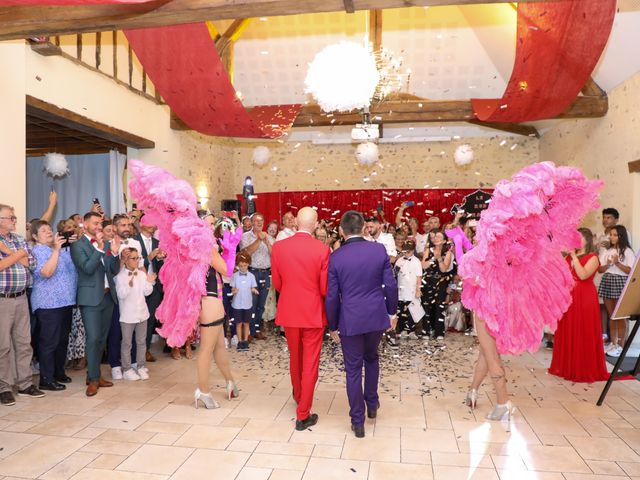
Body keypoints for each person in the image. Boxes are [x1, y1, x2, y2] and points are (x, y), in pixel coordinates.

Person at [326, 211, 398, 438]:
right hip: (376, 316)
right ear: (364, 227)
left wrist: (332, 325)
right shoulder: (378, 250)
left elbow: (331, 296)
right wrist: (392, 313)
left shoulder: (336, 256)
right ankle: (373, 404)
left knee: (353, 369)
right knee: (372, 358)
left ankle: (358, 421)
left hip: (350, 319)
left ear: (341, 230)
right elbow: (391, 285)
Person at [272, 207, 329, 431]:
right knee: (310, 362)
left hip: (289, 310)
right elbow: (324, 288)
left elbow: (277, 282)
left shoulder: (279, 247)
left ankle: (299, 395)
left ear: (295, 222)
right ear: (315, 225)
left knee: (295, 357)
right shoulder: (323, 250)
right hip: (313, 311)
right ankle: (303, 413)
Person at [71, 211, 121, 397]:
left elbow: (113, 270)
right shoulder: (78, 246)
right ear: (84, 224)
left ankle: (95, 374)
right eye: (95, 223)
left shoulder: (107, 243)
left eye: (100, 223)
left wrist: (114, 254)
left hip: (108, 297)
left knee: (101, 338)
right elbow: (87, 268)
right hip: (90, 298)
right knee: (92, 338)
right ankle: (92, 379)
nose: (99, 226)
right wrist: (100, 249)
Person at [0, 204, 46, 406]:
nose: (14, 220)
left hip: (21, 297)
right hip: (2, 299)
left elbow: (32, 264)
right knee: (3, 346)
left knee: (24, 342)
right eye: (10, 217)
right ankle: (4, 387)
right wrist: (18, 256)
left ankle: (25, 383)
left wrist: (11, 254)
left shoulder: (19, 239)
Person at [549, 229, 608, 382]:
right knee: (569, 330)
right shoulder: (569, 257)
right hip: (569, 298)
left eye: (578, 238)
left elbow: (582, 275)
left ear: (587, 240)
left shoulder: (593, 257)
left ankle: (583, 368)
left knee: (583, 330)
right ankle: (567, 366)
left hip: (585, 298)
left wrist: (573, 256)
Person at [194, 211, 239, 409]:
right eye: (209, 224)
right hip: (210, 299)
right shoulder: (206, 246)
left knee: (219, 346)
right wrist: (232, 248)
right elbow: (227, 270)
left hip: (213, 298)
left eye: (214, 224)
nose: (213, 227)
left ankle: (230, 382)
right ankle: (203, 391)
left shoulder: (203, 244)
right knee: (206, 350)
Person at [30, 220, 77, 391]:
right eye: (43, 231)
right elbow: (46, 272)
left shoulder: (57, 249)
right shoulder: (37, 251)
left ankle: (58, 372)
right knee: (49, 342)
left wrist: (70, 246)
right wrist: (57, 250)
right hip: (48, 303)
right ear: (35, 236)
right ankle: (46, 378)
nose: (49, 232)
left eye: (50, 229)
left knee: (62, 341)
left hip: (66, 301)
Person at [107, 214, 143, 380]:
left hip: (134, 290)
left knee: (135, 329)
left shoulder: (135, 243)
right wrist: (121, 259)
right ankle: (115, 364)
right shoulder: (110, 244)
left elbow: (140, 265)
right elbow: (110, 269)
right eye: (122, 225)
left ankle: (134, 362)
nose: (127, 228)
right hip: (117, 291)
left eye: (128, 224)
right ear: (115, 228)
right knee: (117, 330)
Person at [115, 247, 156, 381]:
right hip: (128, 315)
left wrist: (150, 282)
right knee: (127, 343)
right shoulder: (120, 276)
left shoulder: (142, 274)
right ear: (126, 260)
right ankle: (126, 369)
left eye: (138, 258)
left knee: (141, 342)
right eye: (134, 258)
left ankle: (140, 366)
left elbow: (146, 292)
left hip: (142, 314)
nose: (137, 261)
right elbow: (120, 295)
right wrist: (129, 285)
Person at [598, 225, 635, 357]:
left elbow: (631, 271)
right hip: (608, 281)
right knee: (612, 315)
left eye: (615, 235)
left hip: (620, 282)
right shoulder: (608, 251)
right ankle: (613, 343)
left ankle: (621, 345)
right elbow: (600, 269)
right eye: (611, 235)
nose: (612, 237)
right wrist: (608, 264)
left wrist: (618, 263)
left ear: (621, 236)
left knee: (621, 315)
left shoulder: (628, 252)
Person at [239, 213, 273, 340]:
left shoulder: (268, 236)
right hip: (251, 273)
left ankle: (256, 330)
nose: (259, 223)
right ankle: (247, 332)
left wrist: (266, 241)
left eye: (261, 221)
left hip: (265, 273)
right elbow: (245, 252)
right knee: (250, 303)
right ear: (251, 223)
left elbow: (273, 254)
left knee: (261, 305)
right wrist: (259, 240)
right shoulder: (246, 236)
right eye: (256, 221)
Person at [136, 223, 165, 362]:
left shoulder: (157, 242)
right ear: (142, 224)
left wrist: (160, 259)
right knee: (137, 319)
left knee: (150, 319)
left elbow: (160, 267)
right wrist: (149, 257)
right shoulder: (134, 241)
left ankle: (145, 349)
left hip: (154, 285)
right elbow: (134, 264)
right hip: (137, 285)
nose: (152, 225)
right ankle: (135, 351)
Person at [421, 230, 454, 340]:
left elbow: (444, 269)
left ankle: (439, 332)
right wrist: (433, 257)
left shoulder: (448, 253)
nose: (436, 239)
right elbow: (424, 266)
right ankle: (426, 330)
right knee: (426, 306)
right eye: (434, 237)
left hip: (440, 281)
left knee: (439, 306)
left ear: (444, 240)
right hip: (428, 281)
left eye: (439, 237)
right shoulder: (427, 250)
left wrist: (439, 257)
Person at [388, 240, 422, 347]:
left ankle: (411, 331)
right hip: (401, 291)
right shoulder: (399, 261)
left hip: (411, 290)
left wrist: (418, 290)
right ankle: (401, 330)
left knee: (412, 311)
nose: (407, 253)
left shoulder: (416, 261)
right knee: (401, 311)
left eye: (409, 251)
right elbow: (395, 274)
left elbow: (418, 277)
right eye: (405, 250)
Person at [230, 252, 258, 351]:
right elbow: (232, 288)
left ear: (248, 265)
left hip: (247, 304)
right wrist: (234, 291)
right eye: (241, 266)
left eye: (245, 265)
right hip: (237, 304)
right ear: (238, 265)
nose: (243, 268)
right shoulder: (235, 276)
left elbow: (253, 287)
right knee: (238, 323)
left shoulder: (251, 276)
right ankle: (239, 341)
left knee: (246, 323)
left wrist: (254, 290)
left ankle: (245, 341)